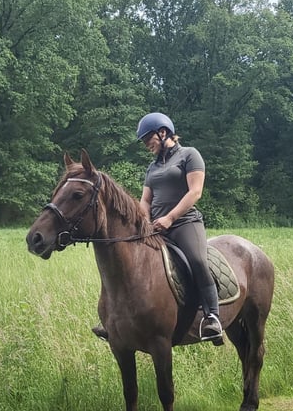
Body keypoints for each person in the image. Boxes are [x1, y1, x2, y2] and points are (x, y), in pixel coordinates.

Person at [92, 112, 223, 344]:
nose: (146, 145)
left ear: (163, 133)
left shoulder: (189, 155)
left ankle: (212, 316)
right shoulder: (152, 168)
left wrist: (170, 218)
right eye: (143, 141)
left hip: (184, 223)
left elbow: (195, 192)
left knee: (197, 260)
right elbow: (146, 201)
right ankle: (117, 320)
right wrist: (141, 221)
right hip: (156, 226)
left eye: (148, 139)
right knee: (129, 262)